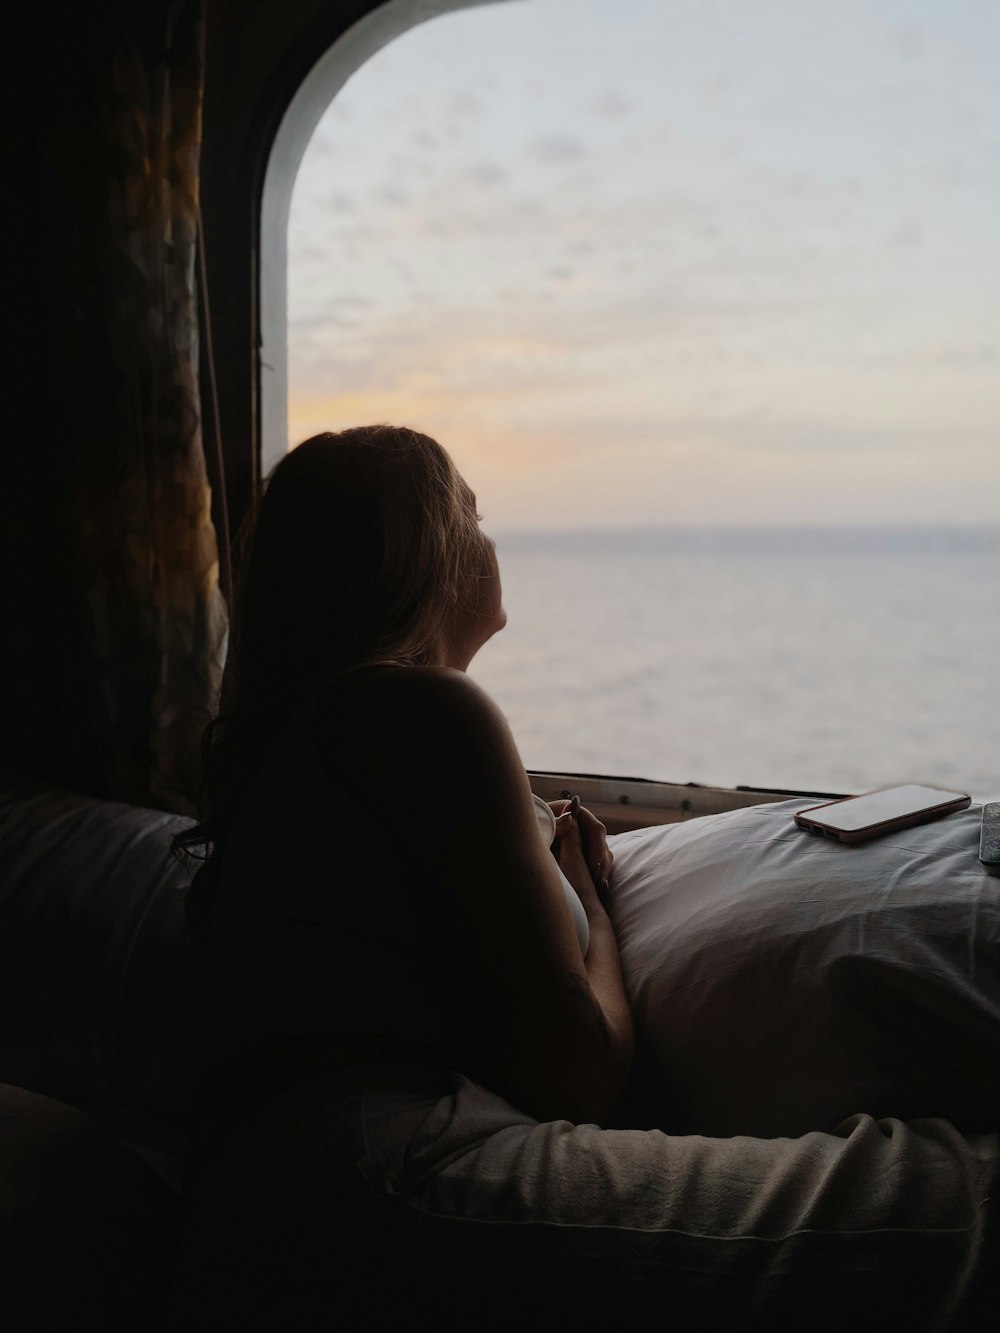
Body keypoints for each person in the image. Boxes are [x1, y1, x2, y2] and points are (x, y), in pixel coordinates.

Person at [167, 426, 997, 1332]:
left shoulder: (337, 725)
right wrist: (590, 902)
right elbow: (579, 1074)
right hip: (373, 1180)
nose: (491, 538)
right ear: (432, 553)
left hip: (298, 1177)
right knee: (945, 1206)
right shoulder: (423, 709)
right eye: (473, 513)